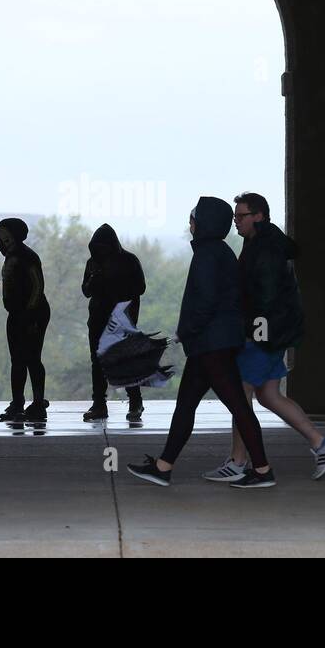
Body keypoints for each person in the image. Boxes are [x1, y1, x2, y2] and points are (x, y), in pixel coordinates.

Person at [127, 197, 275, 489]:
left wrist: (184, 332)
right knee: (187, 406)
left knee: (238, 408)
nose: (190, 222)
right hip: (210, 345)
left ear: (203, 222)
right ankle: (163, 466)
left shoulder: (209, 254)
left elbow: (205, 302)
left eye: (193, 217)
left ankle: (262, 470)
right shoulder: (218, 251)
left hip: (212, 346)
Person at [203, 192, 325, 482]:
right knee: (268, 395)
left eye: (241, 216)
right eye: (234, 216)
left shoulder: (264, 247)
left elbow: (263, 297)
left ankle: (238, 461)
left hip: (263, 334)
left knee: (241, 395)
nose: (236, 222)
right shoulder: (259, 242)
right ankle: (321, 443)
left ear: (258, 216)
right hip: (274, 332)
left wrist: (253, 334)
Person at [81, 224, 148, 422]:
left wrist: (115, 282)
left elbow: (140, 287)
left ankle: (135, 401)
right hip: (98, 318)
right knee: (98, 361)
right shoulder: (92, 264)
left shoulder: (128, 260)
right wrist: (95, 278)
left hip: (121, 318)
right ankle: (99, 404)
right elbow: (86, 290)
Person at [0, 218, 51, 422]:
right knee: (18, 360)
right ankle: (18, 402)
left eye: (2, 239)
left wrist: (30, 316)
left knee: (32, 359)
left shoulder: (26, 257)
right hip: (18, 314)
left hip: (31, 314)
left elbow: (37, 287)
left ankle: (36, 404)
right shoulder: (14, 256)